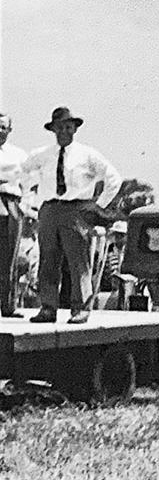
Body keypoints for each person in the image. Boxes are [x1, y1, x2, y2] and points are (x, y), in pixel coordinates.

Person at [20, 107, 121, 324]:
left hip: (76, 209)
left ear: (75, 128)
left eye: (68, 126)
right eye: (59, 127)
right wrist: (30, 202)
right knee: (48, 260)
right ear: (53, 129)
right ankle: (47, 308)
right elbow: (23, 173)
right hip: (49, 210)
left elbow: (113, 179)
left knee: (78, 262)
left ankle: (80, 309)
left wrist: (97, 207)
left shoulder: (87, 155)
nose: (63, 131)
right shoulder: (42, 155)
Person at [0, 113, 32, 317]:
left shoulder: (19, 155)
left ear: (10, 130)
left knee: (9, 257)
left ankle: (8, 305)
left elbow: (29, 183)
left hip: (10, 202)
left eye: (3, 127)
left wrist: (26, 207)